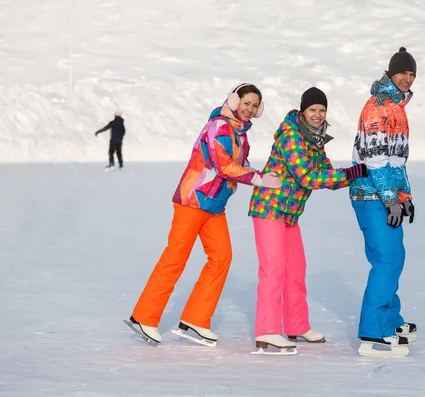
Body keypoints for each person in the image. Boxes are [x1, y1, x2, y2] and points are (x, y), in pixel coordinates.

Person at [127, 83, 282, 345]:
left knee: (222, 257)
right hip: (193, 200)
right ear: (234, 101)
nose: (250, 109)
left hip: (213, 205)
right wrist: (259, 179)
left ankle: (195, 320)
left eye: (255, 106)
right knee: (175, 258)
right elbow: (224, 167)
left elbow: (239, 166)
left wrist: (265, 175)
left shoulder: (240, 134)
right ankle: (144, 317)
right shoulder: (219, 127)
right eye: (246, 103)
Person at [248, 87, 368, 353]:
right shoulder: (291, 137)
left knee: (295, 271)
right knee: (274, 270)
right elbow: (308, 177)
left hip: (289, 213)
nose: (317, 114)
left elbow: (324, 172)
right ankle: (267, 330)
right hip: (269, 208)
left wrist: (353, 174)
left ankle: (297, 325)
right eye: (312, 110)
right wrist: (350, 174)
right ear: (303, 111)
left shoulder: (316, 140)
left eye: (322, 110)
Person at [349, 47, 418, 357]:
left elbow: (396, 161)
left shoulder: (397, 107)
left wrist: (405, 196)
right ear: (390, 73)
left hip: (384, 195)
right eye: (402, 72)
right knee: (386, 259)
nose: (407, 78)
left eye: (412, 73)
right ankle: (373, 332)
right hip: (369, 193)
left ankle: (390, 320)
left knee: (395, 257)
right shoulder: (378, 108)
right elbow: (375, 161)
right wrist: (390, 199)